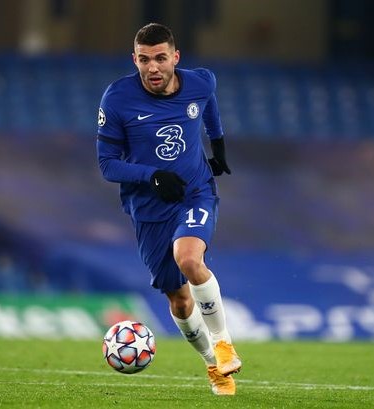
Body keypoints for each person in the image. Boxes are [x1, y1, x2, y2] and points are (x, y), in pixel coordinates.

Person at [95, 23, 241, 396]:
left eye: (161, 58)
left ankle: (223, 344)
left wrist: (218, 144)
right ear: (134, 60)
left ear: (175, 57)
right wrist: (152, 176)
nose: (153, 67)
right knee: (178, 297)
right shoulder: (117, 98)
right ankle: (213, 365)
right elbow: (107, 164)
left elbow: (208, 103)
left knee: (189, 259)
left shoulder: (199, 82)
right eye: (144, 60)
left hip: (195, 192)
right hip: (148, 207)